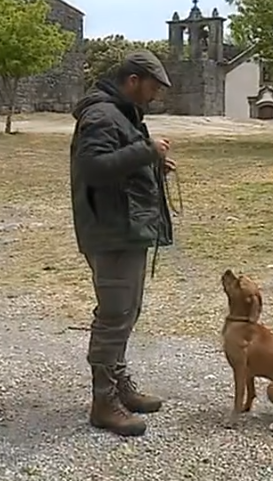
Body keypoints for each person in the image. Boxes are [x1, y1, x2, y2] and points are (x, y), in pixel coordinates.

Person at [69, 50, 176, 437]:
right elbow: (93, 168)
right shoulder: (100, 116)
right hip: (111, 231)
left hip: (126, 228)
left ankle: (118, 386)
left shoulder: (121, 115)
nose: (155, 97)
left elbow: (117, 164)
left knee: (128, 311)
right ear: (133, 81)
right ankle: (104, 403)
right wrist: (145, 151)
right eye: (153, 88)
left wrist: (151, 164)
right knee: (114, 316)